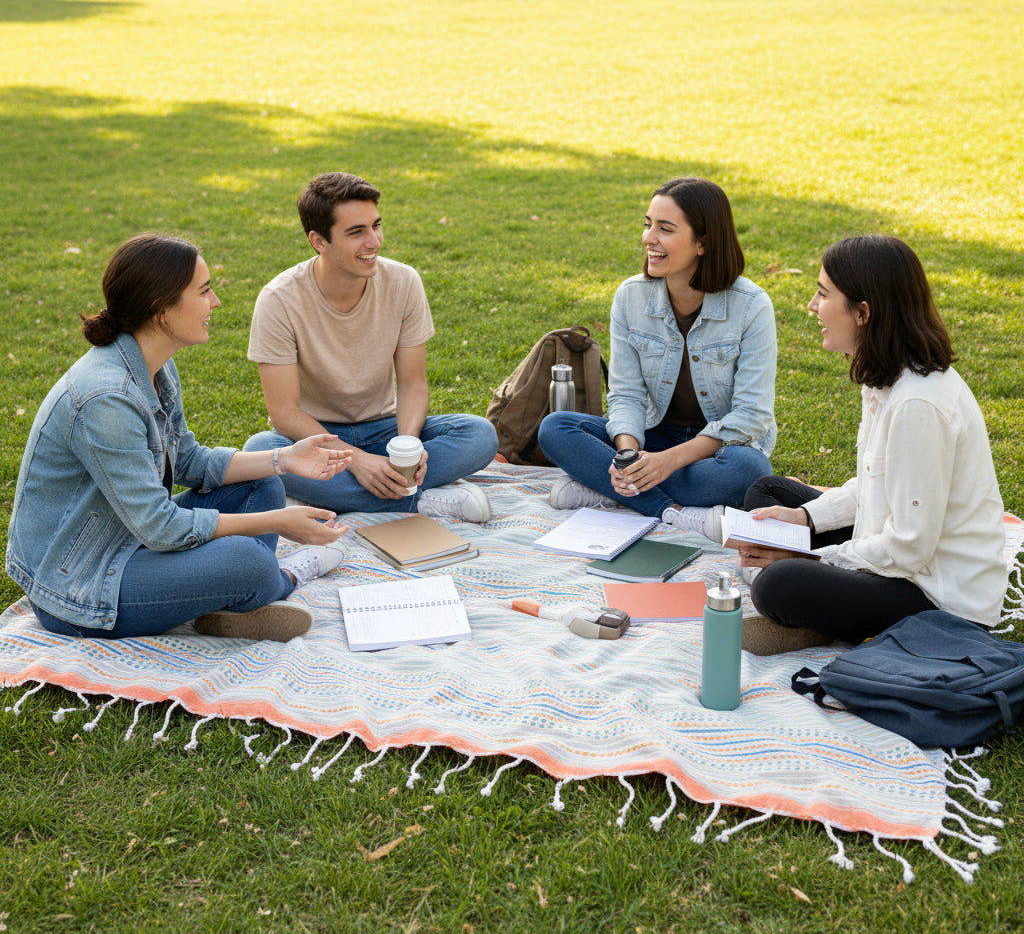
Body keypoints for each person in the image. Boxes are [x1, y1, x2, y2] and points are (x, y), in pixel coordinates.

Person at [5, 235, 353, 643]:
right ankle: (281, 578)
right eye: (204, 291)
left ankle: (232, 601)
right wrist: (279, 523)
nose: (216, 302)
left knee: (262, 485)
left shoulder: (154, 365)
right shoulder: (107, 399)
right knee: (248, 561)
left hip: (126, 540)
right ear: (162, 310)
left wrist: (285, 459)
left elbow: (187, 460)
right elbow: (160, 527)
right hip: (80, 587)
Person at [739, 234, 1006, 646]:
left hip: (936, 596)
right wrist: (805, 519)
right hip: (894, 554)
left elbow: (910, 548)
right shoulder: (886, 376)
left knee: (777, 585)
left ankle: (823, 616)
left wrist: (810, 557)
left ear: (863, 312)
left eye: (823, 294)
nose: (812, 306)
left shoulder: (918, 403)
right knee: (767, 494)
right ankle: (825, 607)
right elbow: (874, 484)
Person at [244, 172, 498, 522]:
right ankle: (416, 500)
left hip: (385, 430)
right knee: (260, 451)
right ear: (319, 241)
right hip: (318, 437)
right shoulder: (278, 300)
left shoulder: (404, 282)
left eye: (376, 226)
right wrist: (358, 462)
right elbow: (285, 413)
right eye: (356, 232)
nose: (374, 241)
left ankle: (377, 489)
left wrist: (406, 451)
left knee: (479, 434)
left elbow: (412, 382)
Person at [537, 177, 777, 540]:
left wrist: (667, 463)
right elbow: (627, 394)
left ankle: (605, 488)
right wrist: (628, 458)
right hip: (654, 434)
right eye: (648, 224)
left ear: (703, 243)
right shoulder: (631, 297)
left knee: (750, 471)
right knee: (556, 428)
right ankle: (666, 510)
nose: (649, 238)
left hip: (718, 450)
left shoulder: (751, 306)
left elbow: (750, 417)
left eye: (665, 229)